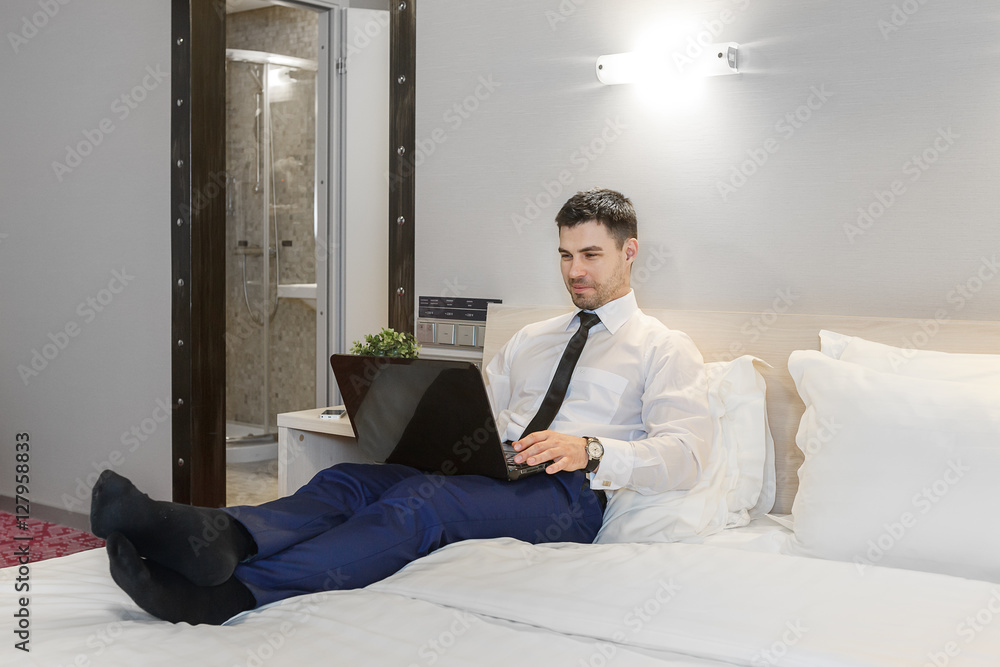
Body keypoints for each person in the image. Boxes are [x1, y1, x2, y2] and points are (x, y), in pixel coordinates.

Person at [90, 188, 712, 625]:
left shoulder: (663, 347)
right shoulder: (532, 338)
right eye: (564, 255)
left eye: (590, 256)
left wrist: (591, 448)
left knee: (423, 503)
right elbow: (478, 409)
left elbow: (687, 457)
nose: (573, 271)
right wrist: (409, 417)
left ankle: (235, 594)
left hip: (568, 496)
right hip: (492, 468)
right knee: (348, 480)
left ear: (630, 252)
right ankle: (218, 536)